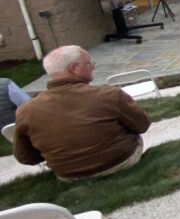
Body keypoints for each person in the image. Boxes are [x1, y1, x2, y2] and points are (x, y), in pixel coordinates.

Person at [14, 45, 150, 180]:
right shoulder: (109, 94)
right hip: (118, 163)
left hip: (68, 175)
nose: (92, 66)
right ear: (74, 68)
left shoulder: (26, 110)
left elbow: (25, 157)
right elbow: (141, 125)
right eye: (89, 62)